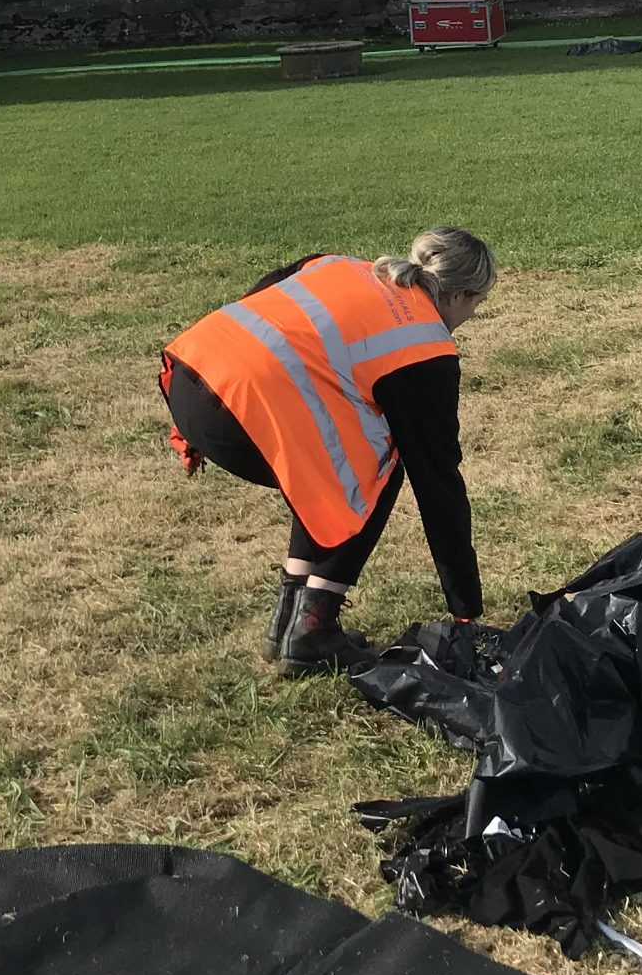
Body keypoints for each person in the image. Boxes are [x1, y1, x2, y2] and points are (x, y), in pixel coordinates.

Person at [158, 227, 496, 675]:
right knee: (375, 465)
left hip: (190, 380)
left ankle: (288, 619)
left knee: (328, 457)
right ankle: (313, 628)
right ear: (458, 295)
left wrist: (195, 418)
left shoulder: (333, 264)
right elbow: (438, 483)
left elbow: (257, 306)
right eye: (477, 303)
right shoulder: (425, 345)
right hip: (238, 417)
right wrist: (466, 610)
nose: (472, 315)